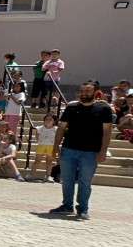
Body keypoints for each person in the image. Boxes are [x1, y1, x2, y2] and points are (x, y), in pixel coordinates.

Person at [50, 81, 112, 220]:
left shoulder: (104, 108)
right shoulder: (71, 107)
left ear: (96, 92)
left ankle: (83, 209)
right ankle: (67, 205)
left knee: (85, 181)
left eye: (88, 91)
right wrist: (55, 147)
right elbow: (61, 128)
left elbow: (107, 131)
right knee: (67, 180)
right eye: (82, 91)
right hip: (69, 149)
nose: (84, 94)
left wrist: (103, 151)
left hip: (91, 152)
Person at [31, 114, 58, 182]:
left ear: (54, 121)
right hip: (41, 145)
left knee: (49, 161)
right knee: (37, 161)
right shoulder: (40, 128)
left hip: (51, 146)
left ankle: (48, 176)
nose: (48, 121)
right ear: (44, 120)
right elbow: (37, 137)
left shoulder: (56, 129)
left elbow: (58, 138)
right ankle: (32, 174)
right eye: (46, 119)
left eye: (50, 119)